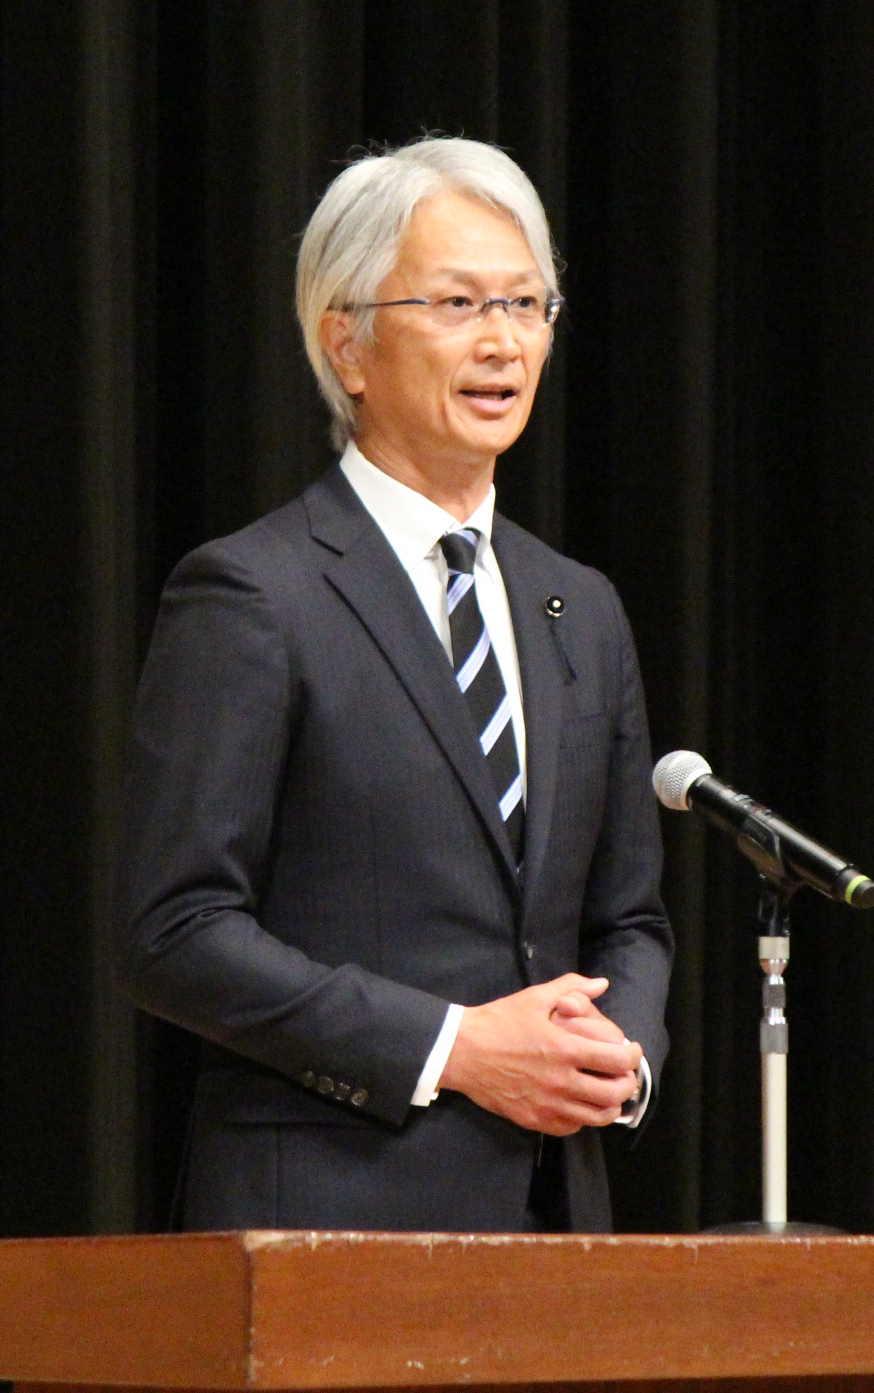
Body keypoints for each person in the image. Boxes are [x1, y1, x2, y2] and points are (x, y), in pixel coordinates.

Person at [114, 137, 673, 1232]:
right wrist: (455, 1048)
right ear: (348, 344)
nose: (503, 340)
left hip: (554, 1221)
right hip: (327, 1219)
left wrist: (618, 1061)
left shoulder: (581, 607)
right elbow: (174, 929)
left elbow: (630, 919)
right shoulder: (255, 594)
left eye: (527, 304)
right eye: (458, 304)